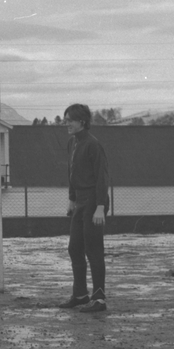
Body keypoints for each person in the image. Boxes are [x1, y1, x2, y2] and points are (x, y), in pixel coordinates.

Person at [59, 103, 110, 313]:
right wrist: (71, 199)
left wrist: (100, 207)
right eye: (66, 119)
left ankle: (99, 299)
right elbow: (71, 173)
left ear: (82, 121)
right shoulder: (72, 143)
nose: (66, 123)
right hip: (79, 202)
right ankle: (80, 295)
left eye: (70, 120)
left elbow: (102, 177)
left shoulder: (93, 145)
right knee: (74, 248)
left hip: (93, 202)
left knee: (94, 249)